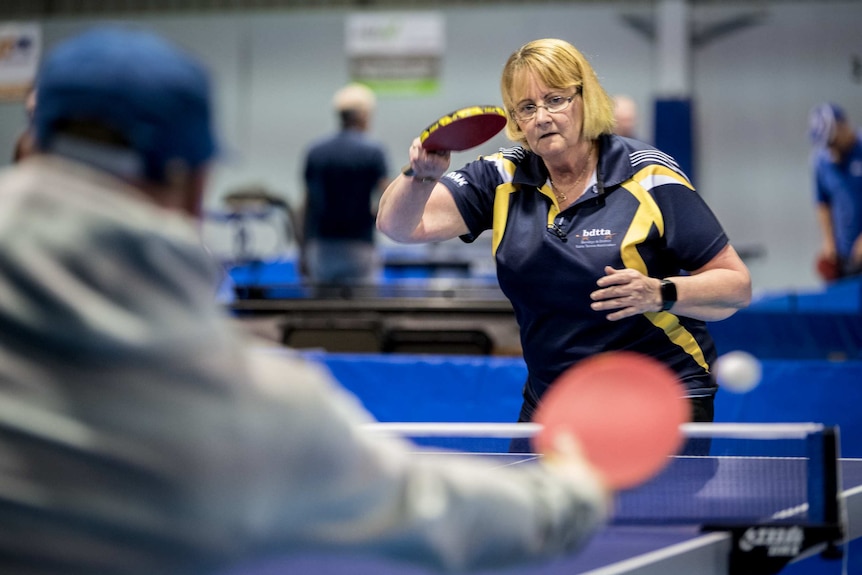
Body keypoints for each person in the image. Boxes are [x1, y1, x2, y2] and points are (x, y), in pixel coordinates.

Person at [0, 26, 612, 575]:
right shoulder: (242, 403)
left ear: (33, 141)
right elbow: (422, 509)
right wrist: (568, 495)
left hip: (322, 249)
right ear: (190, 183)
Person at [377, 38, 752, 451]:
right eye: (527, 107)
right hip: (553, 399)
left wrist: (659, 292)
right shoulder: (501, 176)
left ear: (584, 98)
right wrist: (420, 176)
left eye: (555, 99)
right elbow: (400, 227)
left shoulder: (648, 175)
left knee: (645, 517)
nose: (541, 117)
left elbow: (735, 285)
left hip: (659, 393)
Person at [301, 82, 389, 286]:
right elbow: (388, 195)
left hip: (321, 247)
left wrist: (303, 250)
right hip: (359, 245)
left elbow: (307, 203)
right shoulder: (373, 151)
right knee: (363, 314)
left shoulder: (316, 151)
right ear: (365, 115)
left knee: (320, 313)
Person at [808, 102, 862, 280]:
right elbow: (822, 202)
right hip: (846, 259)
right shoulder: (821, 161)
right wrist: (828, 242)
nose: (831, 148)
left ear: (843, 126)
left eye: (832, 141)